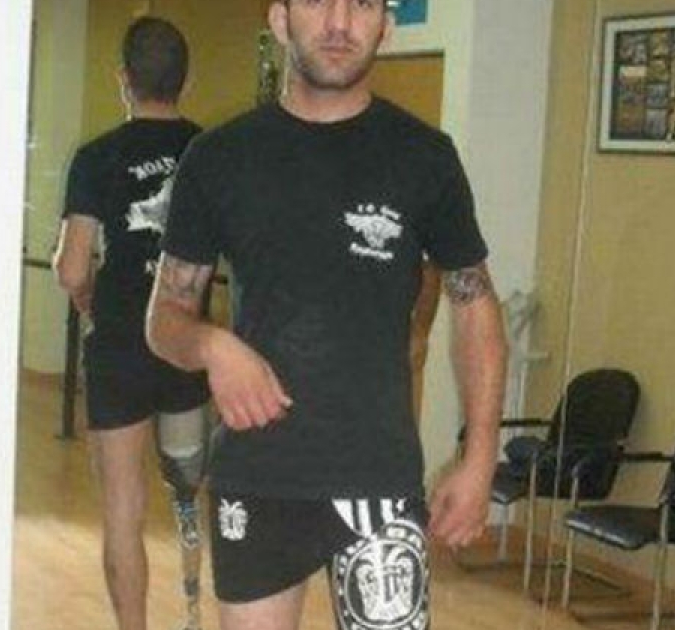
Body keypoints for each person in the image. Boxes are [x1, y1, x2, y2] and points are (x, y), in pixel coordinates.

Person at [146, 1, 507, 630]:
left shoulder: (424, 157)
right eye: (318, 0)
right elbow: (164, 319)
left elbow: (475, 306)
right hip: (259, 474)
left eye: (362, 3)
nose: (340, 22)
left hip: (377, 476)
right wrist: (212, 346)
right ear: (280, 19)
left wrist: (480, 458)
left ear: (386, 27)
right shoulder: (220, 157)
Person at [52, 17, 211, 630]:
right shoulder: (212, 152)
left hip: (119, 347)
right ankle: (193, 614)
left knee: (123, 509)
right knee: (188, 499)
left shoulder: (96, 157)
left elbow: (71, 269)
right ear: (187, 81)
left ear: (123, 79)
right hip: (186, 344)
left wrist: (88, 290)